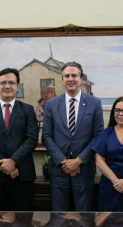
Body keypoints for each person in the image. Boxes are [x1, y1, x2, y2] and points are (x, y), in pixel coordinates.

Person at [42, 62, 104, 211]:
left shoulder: (94, 103)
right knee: (59, 216)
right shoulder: (51, 104)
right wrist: (64, 162)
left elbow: (99, 135)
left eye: (74, 75)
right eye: (67, 76)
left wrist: (78, 161)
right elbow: (46, 135)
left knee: (83, 216)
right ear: (62, 79)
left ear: (81, 78)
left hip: (84, 169)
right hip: (58, 170)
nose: (70, 79)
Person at [0, 68, 38, 210]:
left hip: (22, 174)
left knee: (22, 223)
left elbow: (32, 139)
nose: (7, 86)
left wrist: (13, 161)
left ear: (17, 86)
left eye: (11, 82)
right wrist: (5, 165)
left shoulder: (28, 110)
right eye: (3, 82)